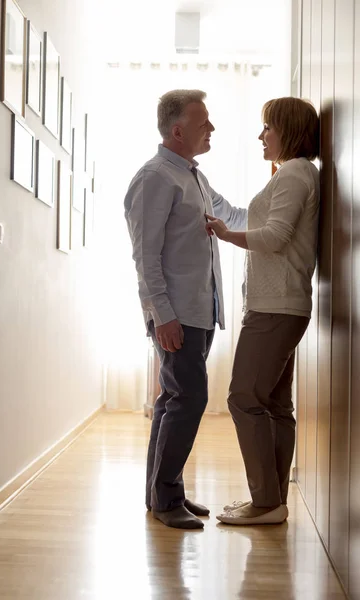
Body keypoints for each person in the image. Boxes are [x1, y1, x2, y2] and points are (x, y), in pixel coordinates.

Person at [124, 90, 247, 530]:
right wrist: (163, 316)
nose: (211, 129)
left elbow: (229, 213)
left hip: (200, 309)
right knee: (189, 398)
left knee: (173, 400)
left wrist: (278, 218)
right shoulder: (156, 177)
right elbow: (146, 256)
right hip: (177, 314)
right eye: (203, 123)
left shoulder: (192, 175)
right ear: (178, 131)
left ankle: (163, 493)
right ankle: (165, 498)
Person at [205, 97, 320, 525]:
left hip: (275, 307)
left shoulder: (293, 173)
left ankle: (266, 502)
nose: (261, 135)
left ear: (287, 130)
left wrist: (225, 235)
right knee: (273, 403)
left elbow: (274, 237)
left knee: (243, 397)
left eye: (267, 127)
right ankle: (271, 501)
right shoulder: (298, 173)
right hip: (283, 305)